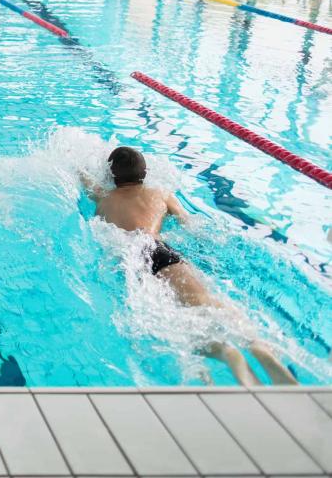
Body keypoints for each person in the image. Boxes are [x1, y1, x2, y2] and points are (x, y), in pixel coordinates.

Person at [80, 146, 298, 386]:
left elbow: (84, 179)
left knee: (170, 322)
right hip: (160, 249)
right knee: (208, 303)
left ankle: (225, 353)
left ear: (111, 176)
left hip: (131, 255)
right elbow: (188, 223)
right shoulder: (161, 194)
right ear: (145, 173)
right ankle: (255, 345)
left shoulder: (103, 197)